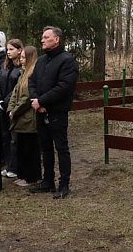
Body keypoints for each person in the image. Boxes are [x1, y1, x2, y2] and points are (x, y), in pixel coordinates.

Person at [28, 26, 79, 199]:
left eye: (46, 37)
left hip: (57, 112)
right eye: (42, 37)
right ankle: (47, 180)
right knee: (45, 148)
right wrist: (36, 101)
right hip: (40, 111)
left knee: (61, 148)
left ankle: (64, 184)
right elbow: (32, 82)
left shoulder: (67, 61)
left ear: (56, 40)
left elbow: (64, 87)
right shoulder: (41, 61)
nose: (42, 40)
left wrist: (42, 101)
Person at [7, 46, 42, 187]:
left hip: (28, 118)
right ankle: (23, 175)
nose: (21, 60)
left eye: (23, 57)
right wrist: (10, 108)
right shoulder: (22, 74)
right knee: (21, 148)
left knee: (30, 149)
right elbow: (15, 93)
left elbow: (26, 97)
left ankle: (31, 177)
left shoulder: (32, 74)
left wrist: (15, 111)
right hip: (20, 118)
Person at [0, 39, 23, 179]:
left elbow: (17, 88)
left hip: (14, 107)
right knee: (5, 136)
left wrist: (6, 102)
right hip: (1, 106)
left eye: (11, 49)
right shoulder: (3, 66)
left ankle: (15, 166)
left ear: (19, 50)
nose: (8, 52)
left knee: (15, 138)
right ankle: (8, 164)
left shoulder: (21, 68)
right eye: (7, 49)